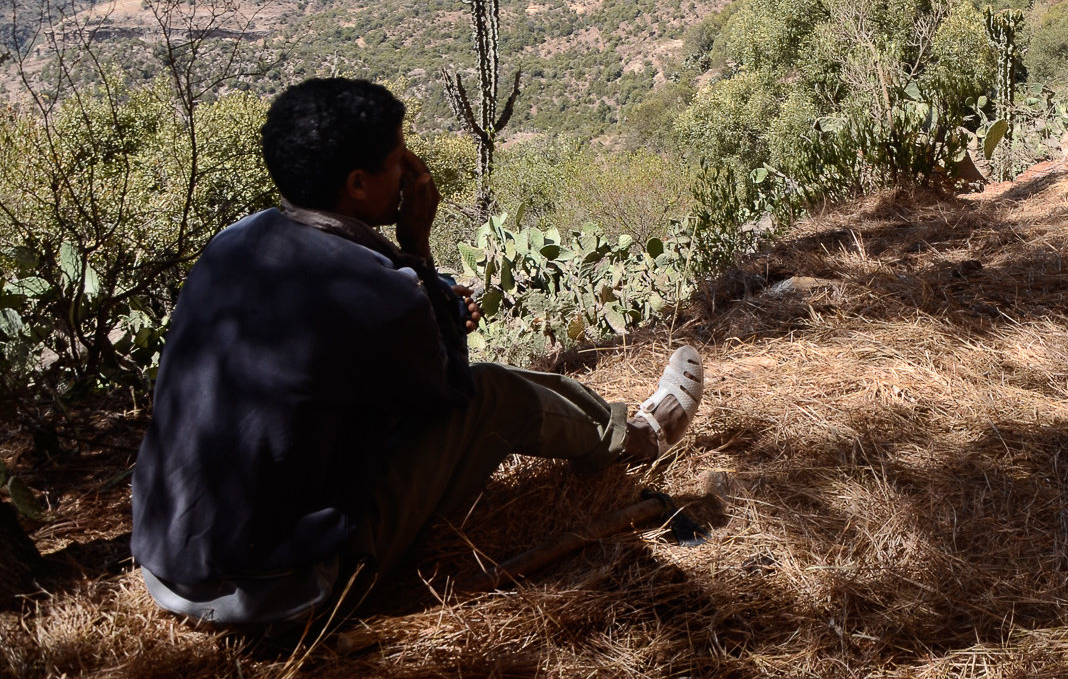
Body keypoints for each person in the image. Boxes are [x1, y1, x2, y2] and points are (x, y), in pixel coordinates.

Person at [130, 77, 704, 627]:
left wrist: (420, 296)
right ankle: (639, 438)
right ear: (357, 184)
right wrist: (418, 254)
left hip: (169, 568)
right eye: (399, 158)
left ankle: (616, 426)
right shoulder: (380, 291)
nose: (412, 171)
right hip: (292, 590)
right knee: (495, 392)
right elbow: (454, 392)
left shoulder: (231, 243)